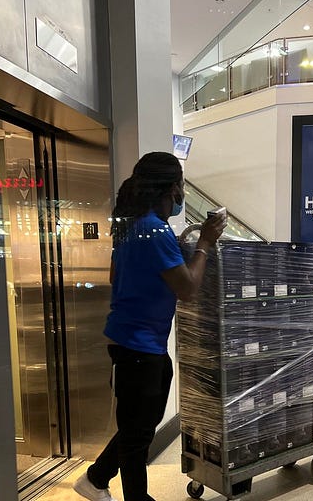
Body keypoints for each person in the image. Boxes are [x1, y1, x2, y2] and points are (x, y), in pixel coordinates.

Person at [73, 151, 226, 501]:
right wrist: (205, 242)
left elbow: (115, 276)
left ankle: (96, 478)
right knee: (137, 435)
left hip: (139, 343)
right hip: (138, 346)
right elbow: (188, 289)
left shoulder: (132, 227)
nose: (182, 193)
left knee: (140, 425)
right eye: (181, 185)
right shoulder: (154, 230)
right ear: (172, 188)